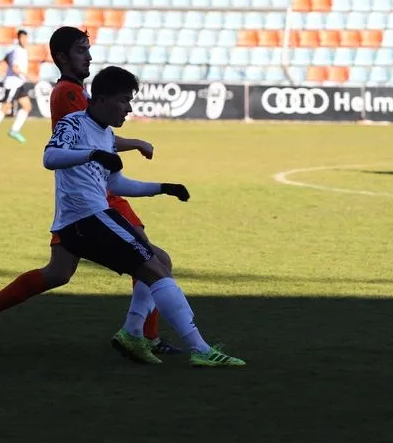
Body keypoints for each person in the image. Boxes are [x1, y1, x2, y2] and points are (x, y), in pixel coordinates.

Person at [0, 27, 180, 354]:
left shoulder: (75, 91)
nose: (88, 56)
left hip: (86, 192)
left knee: (59, 272)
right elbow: (92, 137)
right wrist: (136, 142)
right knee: (151, 259)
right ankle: (146, 336)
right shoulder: (68, 93)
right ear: (62, 57)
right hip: (93, 195)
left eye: (88, 49)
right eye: (80, 50)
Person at [42, 66, 244, 367]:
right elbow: (50, 157)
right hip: (85, 219)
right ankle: (200, 349)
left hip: (90, 220)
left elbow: (115, 185)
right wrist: (91, 154)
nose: (129, 108)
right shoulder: (73, 123)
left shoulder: (106, 135)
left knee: (160, 260)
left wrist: (162, 188)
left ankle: (133, 332)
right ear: (102, 99)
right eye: (124, 100)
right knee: (154, 270)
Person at [0, 29, 34, 145]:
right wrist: (26, 75)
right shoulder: (17, 52)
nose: (24, 40)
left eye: (25, 38)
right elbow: (14, 67)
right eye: (22, 38)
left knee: (27, 106)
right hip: (13, 84)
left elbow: (5, 59)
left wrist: (5, 66)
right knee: (5, 108)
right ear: (18, 39)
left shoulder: (21, 51)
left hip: (19, 83)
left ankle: (14, 130)